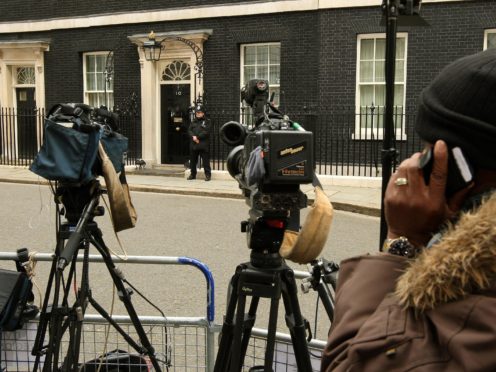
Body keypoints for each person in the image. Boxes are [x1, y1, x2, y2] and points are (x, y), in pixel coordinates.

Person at [321, 49, 496, 371]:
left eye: (426, 153)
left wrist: (401, 240)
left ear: (459, 170)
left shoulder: (476, 307)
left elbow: (353, 364)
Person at [187, 104, 212, 181]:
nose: (198, 114)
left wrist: (197, 137)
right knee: (193, 161)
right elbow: (189, 130)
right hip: (194, 145)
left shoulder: (207, 121)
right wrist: (193, 137)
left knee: (205, 162)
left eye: (200, 112)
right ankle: (193, 174)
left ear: (203, 113)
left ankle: (208, 175)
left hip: (203, 145)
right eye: (197, 112)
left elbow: (206, 132)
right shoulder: (193, 121)